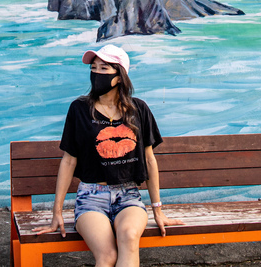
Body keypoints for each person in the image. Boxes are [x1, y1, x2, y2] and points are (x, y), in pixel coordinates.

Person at [38, 44, 181, 266]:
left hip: (129, 196)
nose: (97, 73)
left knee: (130, 236)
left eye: (104, 68)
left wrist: (157, 209)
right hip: (91, 197)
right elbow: (69, 161)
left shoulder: (138, 109)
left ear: (120, 76)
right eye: (93, 68)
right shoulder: (79, 109)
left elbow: (149, 160)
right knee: (107, 256)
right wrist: (56, 211)